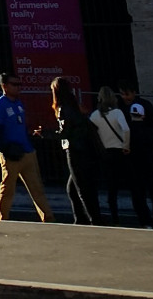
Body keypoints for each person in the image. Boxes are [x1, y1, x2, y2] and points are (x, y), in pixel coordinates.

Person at [0, 73, 52, 221]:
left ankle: (48, 217)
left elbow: (21, 124)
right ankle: (2, 218)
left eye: (19, 84)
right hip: (11, 153)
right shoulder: (0, 105)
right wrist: (4, 151)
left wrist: (31, 132)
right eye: (14, 84)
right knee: (8, 188)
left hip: (27, 151)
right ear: (4, 86)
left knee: (37, 187)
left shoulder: (19, 103)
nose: (19, 87)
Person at [50, 77, 100, 223]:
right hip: (85, 148)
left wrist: (45, 134)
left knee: (81, 188)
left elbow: (65, 132)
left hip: (74, 149)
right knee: (73, 188)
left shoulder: (62, 108)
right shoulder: (76, 106)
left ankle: (93, 219)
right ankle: (81, 218)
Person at [119, 86, 153, 227]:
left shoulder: (141, 106)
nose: (125, 97)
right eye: (122, 94)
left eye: (127, 94)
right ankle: (148, 219)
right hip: (137, 152)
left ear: (134, 92)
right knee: (140, 189)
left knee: (148, 188)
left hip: (143, 151)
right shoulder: (123, 108)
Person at [90, 86, 131, 221]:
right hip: (119, 150)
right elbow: (125, 129)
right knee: (126, 181)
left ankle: (114, 216)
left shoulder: (95, 115)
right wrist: (126, 145)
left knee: (110, 184)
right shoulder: (118, 113)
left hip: (105, 152)